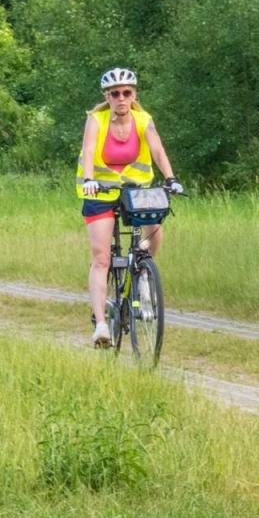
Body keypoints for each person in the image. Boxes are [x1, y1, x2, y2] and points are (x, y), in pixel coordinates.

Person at [77, 67, 183, 347]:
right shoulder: (96, 120)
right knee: (102, 258)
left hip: (136, 189)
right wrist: (89, 180)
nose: (121, 98)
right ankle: (101, 325)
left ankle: (144, 274)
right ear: (107, 97)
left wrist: (171, 179)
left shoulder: (143, 120)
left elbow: (157, 149)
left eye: (127, 92)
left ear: (134, 95)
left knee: (155, 225)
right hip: (100, 191)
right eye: (115, 94)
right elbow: (89, 150)